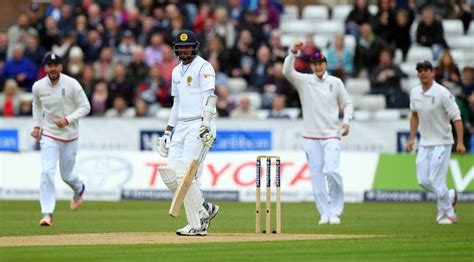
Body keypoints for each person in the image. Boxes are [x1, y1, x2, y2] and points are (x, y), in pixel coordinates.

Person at [283, 41, 353, 225]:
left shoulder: (335, 82)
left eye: (321, 63)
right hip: (310, 136)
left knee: (332, 171)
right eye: (315, 64)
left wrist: (346, 122)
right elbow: (286, 72)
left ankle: (336, 211)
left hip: (331, 135)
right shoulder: (305, 81)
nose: (318, 66)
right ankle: (324, 213)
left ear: (325, 64)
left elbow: (347, 103)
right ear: (311, 66)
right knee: (317, 175)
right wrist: (293, 51)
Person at [156, 30, 219, 236]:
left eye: (187, 46)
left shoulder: (204, 67)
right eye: (181, 47)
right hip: (181, 126)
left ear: (194, 47)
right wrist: (168, 131)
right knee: (171, 175)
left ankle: (198, 224)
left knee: (186, 174)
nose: (184, 50)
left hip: (199, 124)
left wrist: (206, 124)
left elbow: (210, 98)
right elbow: (177, 103)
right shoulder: (176, 72)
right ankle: (204, 209)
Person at [31, 53, 91, 226]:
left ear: (61, 67)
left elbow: (86, 106)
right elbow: (37, 105)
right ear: (45, 68)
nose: (53, 68)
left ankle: (79, 188)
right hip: (49, 134)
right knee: (47, 171)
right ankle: (47, 213)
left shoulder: (72, 84)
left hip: (70, 135)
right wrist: (37, 125)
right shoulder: (38, 86)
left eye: (56, 65)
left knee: (67, 175)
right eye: (50, 65)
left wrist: (68, 119)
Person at [406, 60, 466, 225]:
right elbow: (414, 115)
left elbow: (457, 118)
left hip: (442, 142)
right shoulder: (414, 93)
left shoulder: (442, 93)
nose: (422, 73)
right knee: (423, 180)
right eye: (419, 71)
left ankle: (449, 213)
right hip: (424, 143)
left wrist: (460, 142)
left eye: (426, 70)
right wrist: (411, 138)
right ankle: (450, 195)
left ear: (432, 72)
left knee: (436, 180)